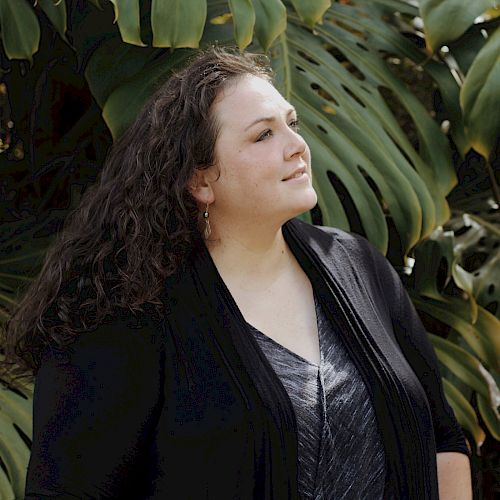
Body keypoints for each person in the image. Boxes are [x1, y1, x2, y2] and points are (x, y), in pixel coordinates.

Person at [3, 46, 472, 499]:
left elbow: (443, 440)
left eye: (291, 124)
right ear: (200, 180)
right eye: (263, 135)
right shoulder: (130, 309)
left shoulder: (358, 266)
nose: (297, 147)